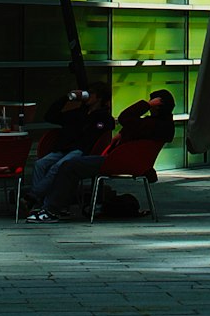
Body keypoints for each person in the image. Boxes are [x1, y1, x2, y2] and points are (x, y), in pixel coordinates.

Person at [27, 88, 175, 223]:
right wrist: (123, 134)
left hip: (118, 161)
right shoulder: (158, 125)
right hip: (117, 159)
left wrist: (146, 105)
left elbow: (125, 118)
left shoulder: (159, 125)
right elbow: (132, 125)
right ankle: (51, 206)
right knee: (61, 165)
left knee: (69, 166)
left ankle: (50, 208)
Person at [26, 82, 112, 209]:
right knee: (40, 164)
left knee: (57, 167)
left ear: (99, 97)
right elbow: (50, 116)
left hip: (81, 151)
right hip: (64, 148)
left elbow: (98, 135)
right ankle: (38, 203)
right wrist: (66, 98)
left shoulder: (103, 118)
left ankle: (33, 198)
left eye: (91, 93)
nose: (87, 96)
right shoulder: (78, 113)